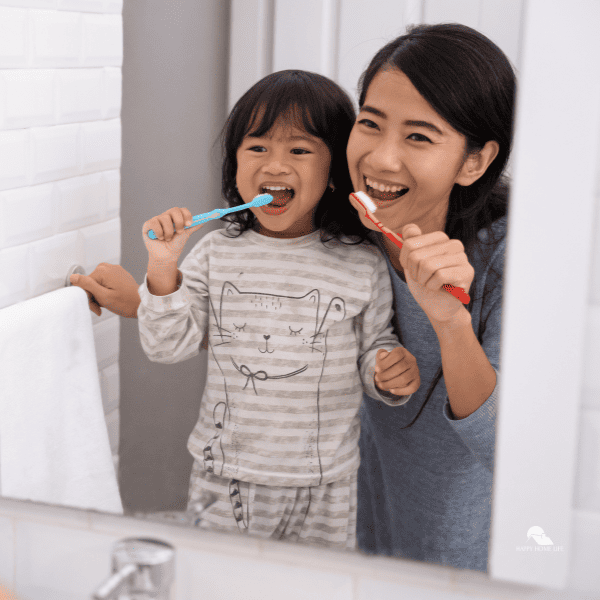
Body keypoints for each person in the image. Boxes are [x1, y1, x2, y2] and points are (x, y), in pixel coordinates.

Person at [72, 23, 514, 571]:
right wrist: (148, 296)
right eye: (370, 124)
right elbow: (274, 323)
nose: (381, 158)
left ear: (475, 160)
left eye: (419, 136)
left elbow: (509, 452)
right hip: (358, 520)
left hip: (458, 546)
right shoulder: (357, 233)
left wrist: (449, 320)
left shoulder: (509, 263)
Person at [136, 70, 420, 549]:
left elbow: (375, 346)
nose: (276, 164)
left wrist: (387, 369)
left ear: (334, 172)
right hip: (224, 476)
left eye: (299, 150)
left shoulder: (361, 263)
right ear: (235, 163)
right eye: (258, 147)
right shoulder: (214, 253)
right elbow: (166, 347)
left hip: (326, 482)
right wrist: (164, 268)